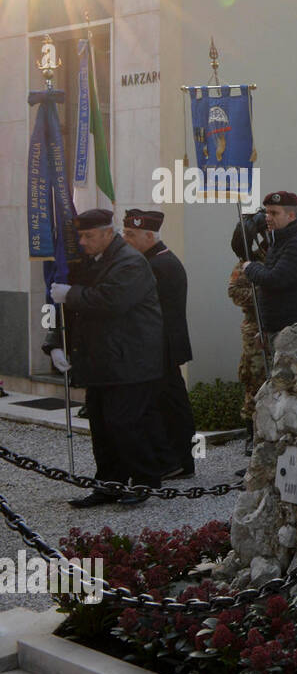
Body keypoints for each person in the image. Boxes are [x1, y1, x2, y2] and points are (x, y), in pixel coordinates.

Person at [46, 209, 168, 506]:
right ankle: (108, 484)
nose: (83, 242)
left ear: (106, 233)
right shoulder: (97, 260)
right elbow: (78, 310)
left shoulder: (129, 262)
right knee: (101, 426)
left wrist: (71, 294)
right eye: (81, 236)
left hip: (129, 360)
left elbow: (110, 301)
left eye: (88, 236)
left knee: (125, 424)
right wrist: (55, 343)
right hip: (103, 359)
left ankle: (144, 481)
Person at [121, 208, 196, 479]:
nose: (125, 239)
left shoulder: (158, 265)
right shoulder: (154, 261)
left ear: (149, 235)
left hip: (161, 345)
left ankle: (175, 460)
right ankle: (176, 460)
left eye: (131, 234)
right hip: (159, 344)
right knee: (167, 401)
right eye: (125, 232)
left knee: (167, 403)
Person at [241, 191, 297, 354]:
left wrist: (250, 267)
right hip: (279, 332)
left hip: (293, 334)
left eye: (274, 213)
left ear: (291, 215)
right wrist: (265, 330)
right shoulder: (278, 242)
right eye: (267, 212)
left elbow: (274, 279)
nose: (267, 217)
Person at [228, 211, 268, 451]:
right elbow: (234, 291)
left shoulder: (278, 255)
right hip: (255, 327)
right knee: (254, 379)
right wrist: (263, 296)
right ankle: (252, 434)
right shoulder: (248, 262)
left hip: (280, 327)